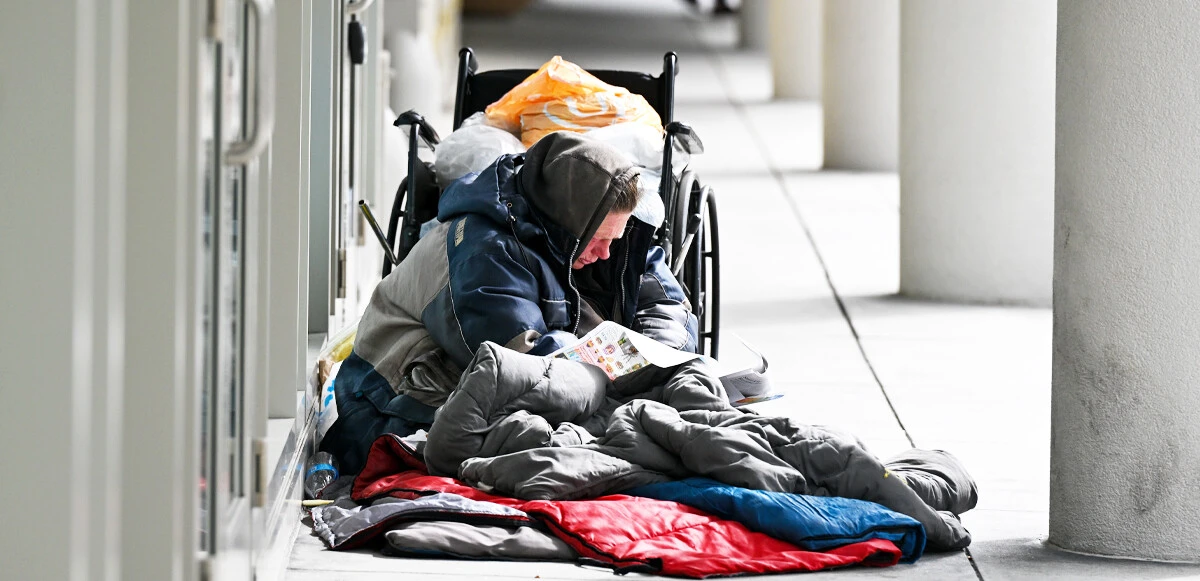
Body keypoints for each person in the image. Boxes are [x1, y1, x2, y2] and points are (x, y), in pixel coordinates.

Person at [321, 132, 698, 472]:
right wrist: (628, 375)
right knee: (583, 438)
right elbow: (526, 367)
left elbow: (668, 306)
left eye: (614, 239)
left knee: (676, 394)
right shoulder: (484, 253)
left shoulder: (597, 233)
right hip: (393, 409)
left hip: (472, 389)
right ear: (567, 223)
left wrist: (658, 357)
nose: (605, 253)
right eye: (598, 239)